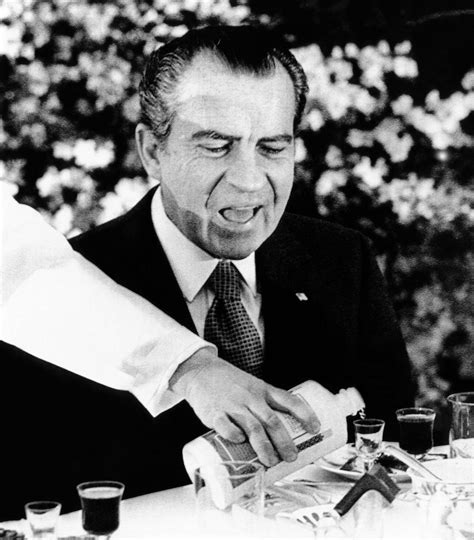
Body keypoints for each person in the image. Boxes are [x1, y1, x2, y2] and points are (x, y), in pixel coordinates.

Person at [70, 24, 415, 486]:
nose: (250, 181)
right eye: (216, 146)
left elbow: (394, 440)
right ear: (153, 151)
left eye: (273, 148)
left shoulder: (341, 259)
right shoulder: (73, 284)